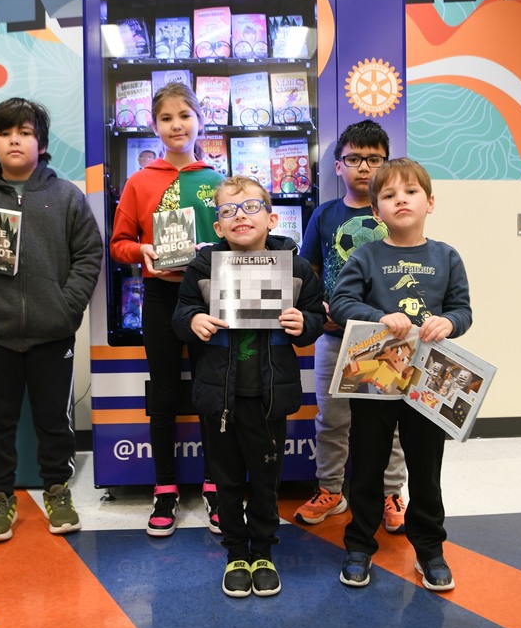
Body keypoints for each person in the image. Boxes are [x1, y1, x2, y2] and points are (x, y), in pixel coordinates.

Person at [0, 97, 102, 542]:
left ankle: (57, 490)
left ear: (40, 142)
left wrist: (67, 307)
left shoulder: (66, 195)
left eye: (25, 132)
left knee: (54, 419)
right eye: (6, 132)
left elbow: (90, 254)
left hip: (53, 332)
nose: (15, 139)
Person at [172, 176, 325, 597]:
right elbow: (181, 312)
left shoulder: (293, 267)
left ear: (273, 218)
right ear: (217, 227)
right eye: (228, 211)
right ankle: (236, 551)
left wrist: (304, 324)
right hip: (218, 393)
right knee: (226, 480)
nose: (240, 216)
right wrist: (192, 321)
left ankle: (264, 550)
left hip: (268, 395)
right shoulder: (204, 265)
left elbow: (314, 316)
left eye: (252, 207)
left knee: (265, 478)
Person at [331, 157, 472, 591]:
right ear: (376, 212)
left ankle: (429, 549)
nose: (400, 200)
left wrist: (448, 323)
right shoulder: (365, 254)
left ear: (430, 202)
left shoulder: (447, 256)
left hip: (428, 379)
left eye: (410, 192)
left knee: (426, 471)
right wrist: (379, 316)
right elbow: (340, 303)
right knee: (368, 467)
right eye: (388, 196)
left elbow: (462, 310)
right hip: (375, 373)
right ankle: (359, 545)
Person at [109, 82, 225, 537]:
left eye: (185, 115)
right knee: (162, 393)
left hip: (208, 298)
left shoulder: (217, 181)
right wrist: (144, 250)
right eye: (166, 118)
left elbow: (239, 238)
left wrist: (216, 248)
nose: (176, 125)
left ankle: (216, 485)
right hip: (159, 298)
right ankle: (165, 487)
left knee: (210, 390)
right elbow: (117, 245)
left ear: (200, 120)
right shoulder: (140, 182)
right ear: (154, 126)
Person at [294, 120, 409, 533]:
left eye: (373, 159)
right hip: (333, 335)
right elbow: (307, 270)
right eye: (354, 159)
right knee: (332, 419)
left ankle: (391, 493)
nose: (363, 167)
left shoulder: (395, 213)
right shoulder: (325, 215)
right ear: (338, 166)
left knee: (389, 422)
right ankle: (330, 489)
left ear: (385, 163)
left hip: (387, 338)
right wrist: (316, 308)